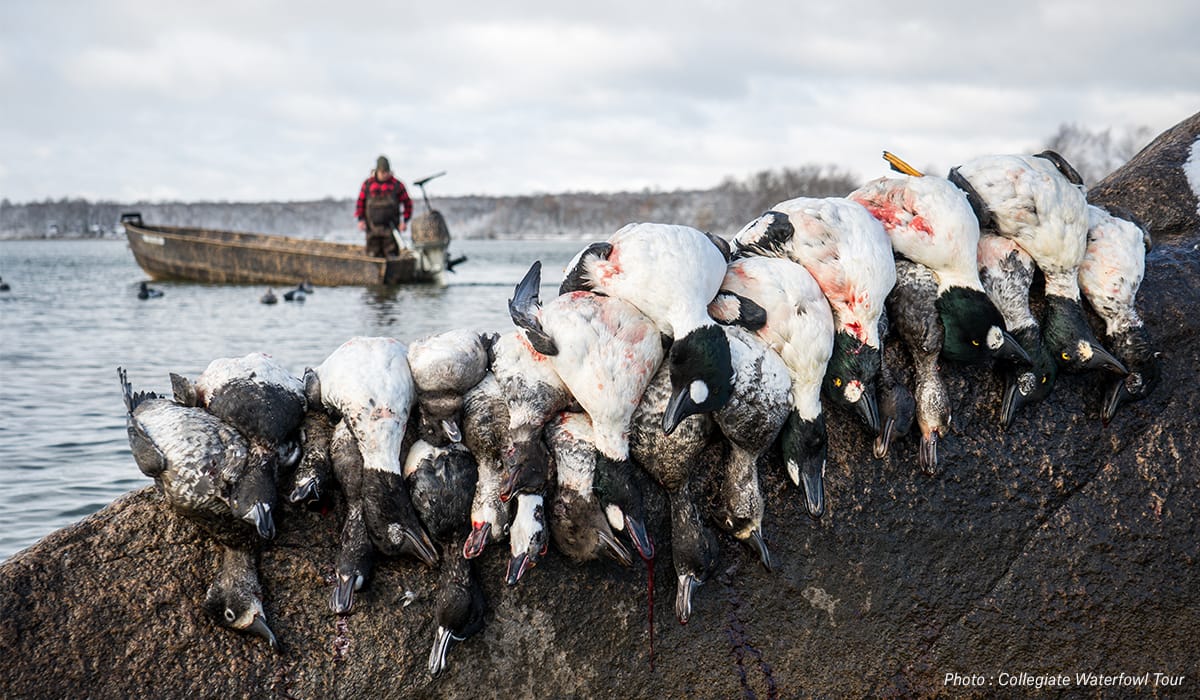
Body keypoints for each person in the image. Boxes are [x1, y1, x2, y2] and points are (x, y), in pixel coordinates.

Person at [355, 155, 414, 258]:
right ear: (377, 171)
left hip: (391, 231)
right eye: (382, 172)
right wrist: (361, 220)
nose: (384, 175)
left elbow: (408, 204)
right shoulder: (368, 184)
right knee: (372, 257)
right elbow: (360, 203)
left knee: (392, 258)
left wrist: (404, 221)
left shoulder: (397, 185)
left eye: (386, 172)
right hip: (372, 230)